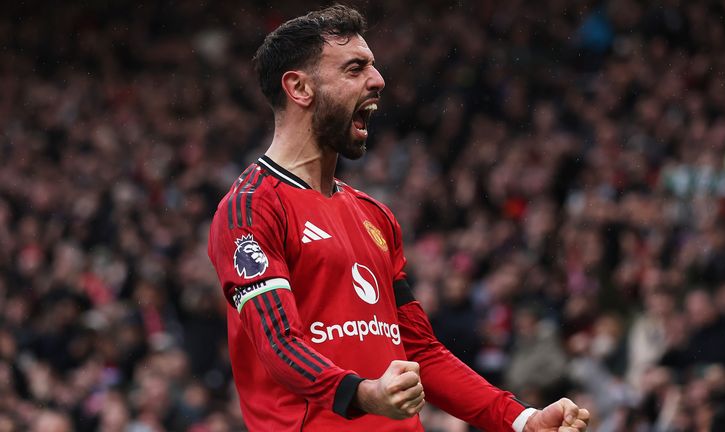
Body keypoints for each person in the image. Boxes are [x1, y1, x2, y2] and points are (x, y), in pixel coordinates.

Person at [207, 5, 590, 431]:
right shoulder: (251, 209)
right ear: (299, 87)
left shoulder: (376, 216)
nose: (378, 80)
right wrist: (364, 394)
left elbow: (419, 351)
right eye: (355, 69)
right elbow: (278, 344)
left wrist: (520, 419)